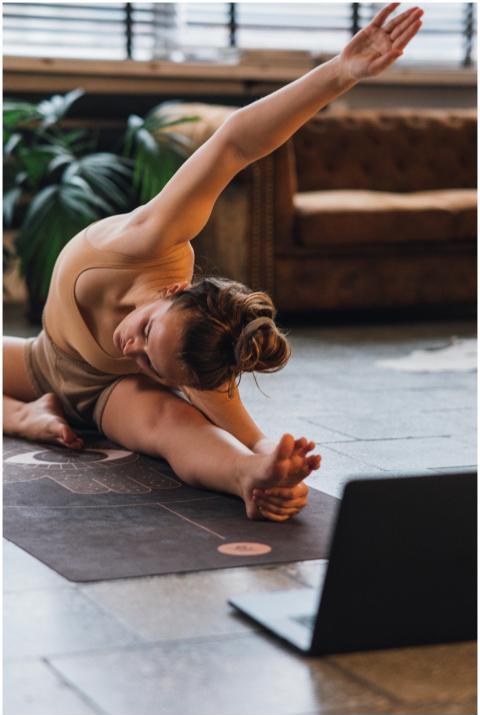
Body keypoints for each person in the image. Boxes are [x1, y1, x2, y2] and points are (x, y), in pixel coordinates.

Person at [3, 3, 423, 521]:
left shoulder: (197, 353)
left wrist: (267, 469)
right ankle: (24, 416)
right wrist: (339, 73)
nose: (130, 348)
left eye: (151, 364)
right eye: (146, 333)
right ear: (173, 291)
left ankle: (239, 483)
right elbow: (235, 143)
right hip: (40, 361)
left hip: (107, 399)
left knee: (171, 422)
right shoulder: (151, 239)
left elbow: (248, 437)